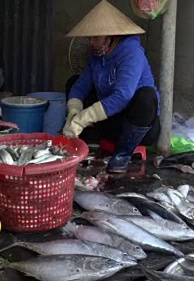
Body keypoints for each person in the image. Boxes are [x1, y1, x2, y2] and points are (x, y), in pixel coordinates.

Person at [62, 0, 160, 173]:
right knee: (72, 81)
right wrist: (74, 112)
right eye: (90, 37)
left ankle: (123, 154)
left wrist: (84, 118)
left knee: (146, 96)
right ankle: (84, 142)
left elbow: (123, 96)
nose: (92, 43)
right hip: (111, 122)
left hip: (138, 127)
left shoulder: (131, 53)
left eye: (96, 37)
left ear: (112, 36)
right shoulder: (96, 56)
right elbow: (80, 86)